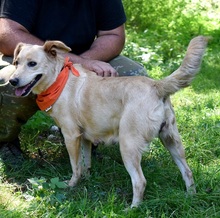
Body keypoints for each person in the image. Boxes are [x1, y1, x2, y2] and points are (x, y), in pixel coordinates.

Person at [0, 0, 147, 164]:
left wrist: (83, 62)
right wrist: (78, 63)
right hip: (30, 61)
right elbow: (6, 35)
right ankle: (5, 141)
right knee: (6, 81)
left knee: (134, 76)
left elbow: (113, 35)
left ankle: (89, 135)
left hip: (87, 56)